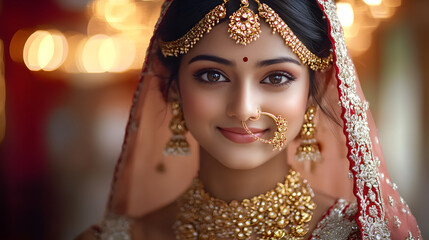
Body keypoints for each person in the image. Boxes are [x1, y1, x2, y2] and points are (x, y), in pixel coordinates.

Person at [77, 0, 421, 239]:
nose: (244, 109)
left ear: (318, 86)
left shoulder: (368, 236)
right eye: (212, 76)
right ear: (172, 88)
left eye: (275, 78)